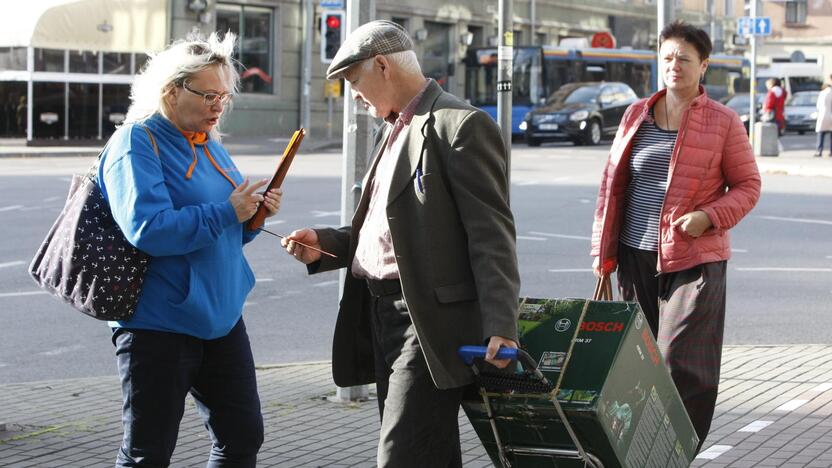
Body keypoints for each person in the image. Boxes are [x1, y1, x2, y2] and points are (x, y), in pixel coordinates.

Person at [281, 20, 520, 467]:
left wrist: (501, 325)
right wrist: (325, 244)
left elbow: (492, 235)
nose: (353, 94)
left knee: (399, 455)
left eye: (354, 80)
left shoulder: (460, 125)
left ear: (382, 65)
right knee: (429, 452)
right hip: (379, 316)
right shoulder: (387, 129)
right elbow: (385, 230)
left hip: (428, 324)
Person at [98, 33, 281, 467]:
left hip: (221, 318)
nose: (219, 105)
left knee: (242, 437)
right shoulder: (137, 141)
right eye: (209, 95)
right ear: (171, 91)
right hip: (158, 324)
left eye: (225, 95)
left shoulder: (209, 144)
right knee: (149, 451)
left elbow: (229, 231)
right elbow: (148, 228)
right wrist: (227, 212)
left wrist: (254, 217)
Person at [590, 20, 761, 451]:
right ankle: (638, 451)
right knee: (639, 363)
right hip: (635, 255)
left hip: (695, 261)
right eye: (667, 57)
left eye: (684, 59)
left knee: (681, 364)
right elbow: (612, 185)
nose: (674, 66)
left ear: (703, 66)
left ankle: (675, 451)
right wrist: (602, 252)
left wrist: (709, 215)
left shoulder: (723, 122)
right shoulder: (636, 114)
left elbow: (748, 187)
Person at [815, 79, 832, 157]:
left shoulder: (822, 93)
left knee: (821, 133)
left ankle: (819, 150)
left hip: (822, 115)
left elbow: (818, 106)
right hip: (830, 114)